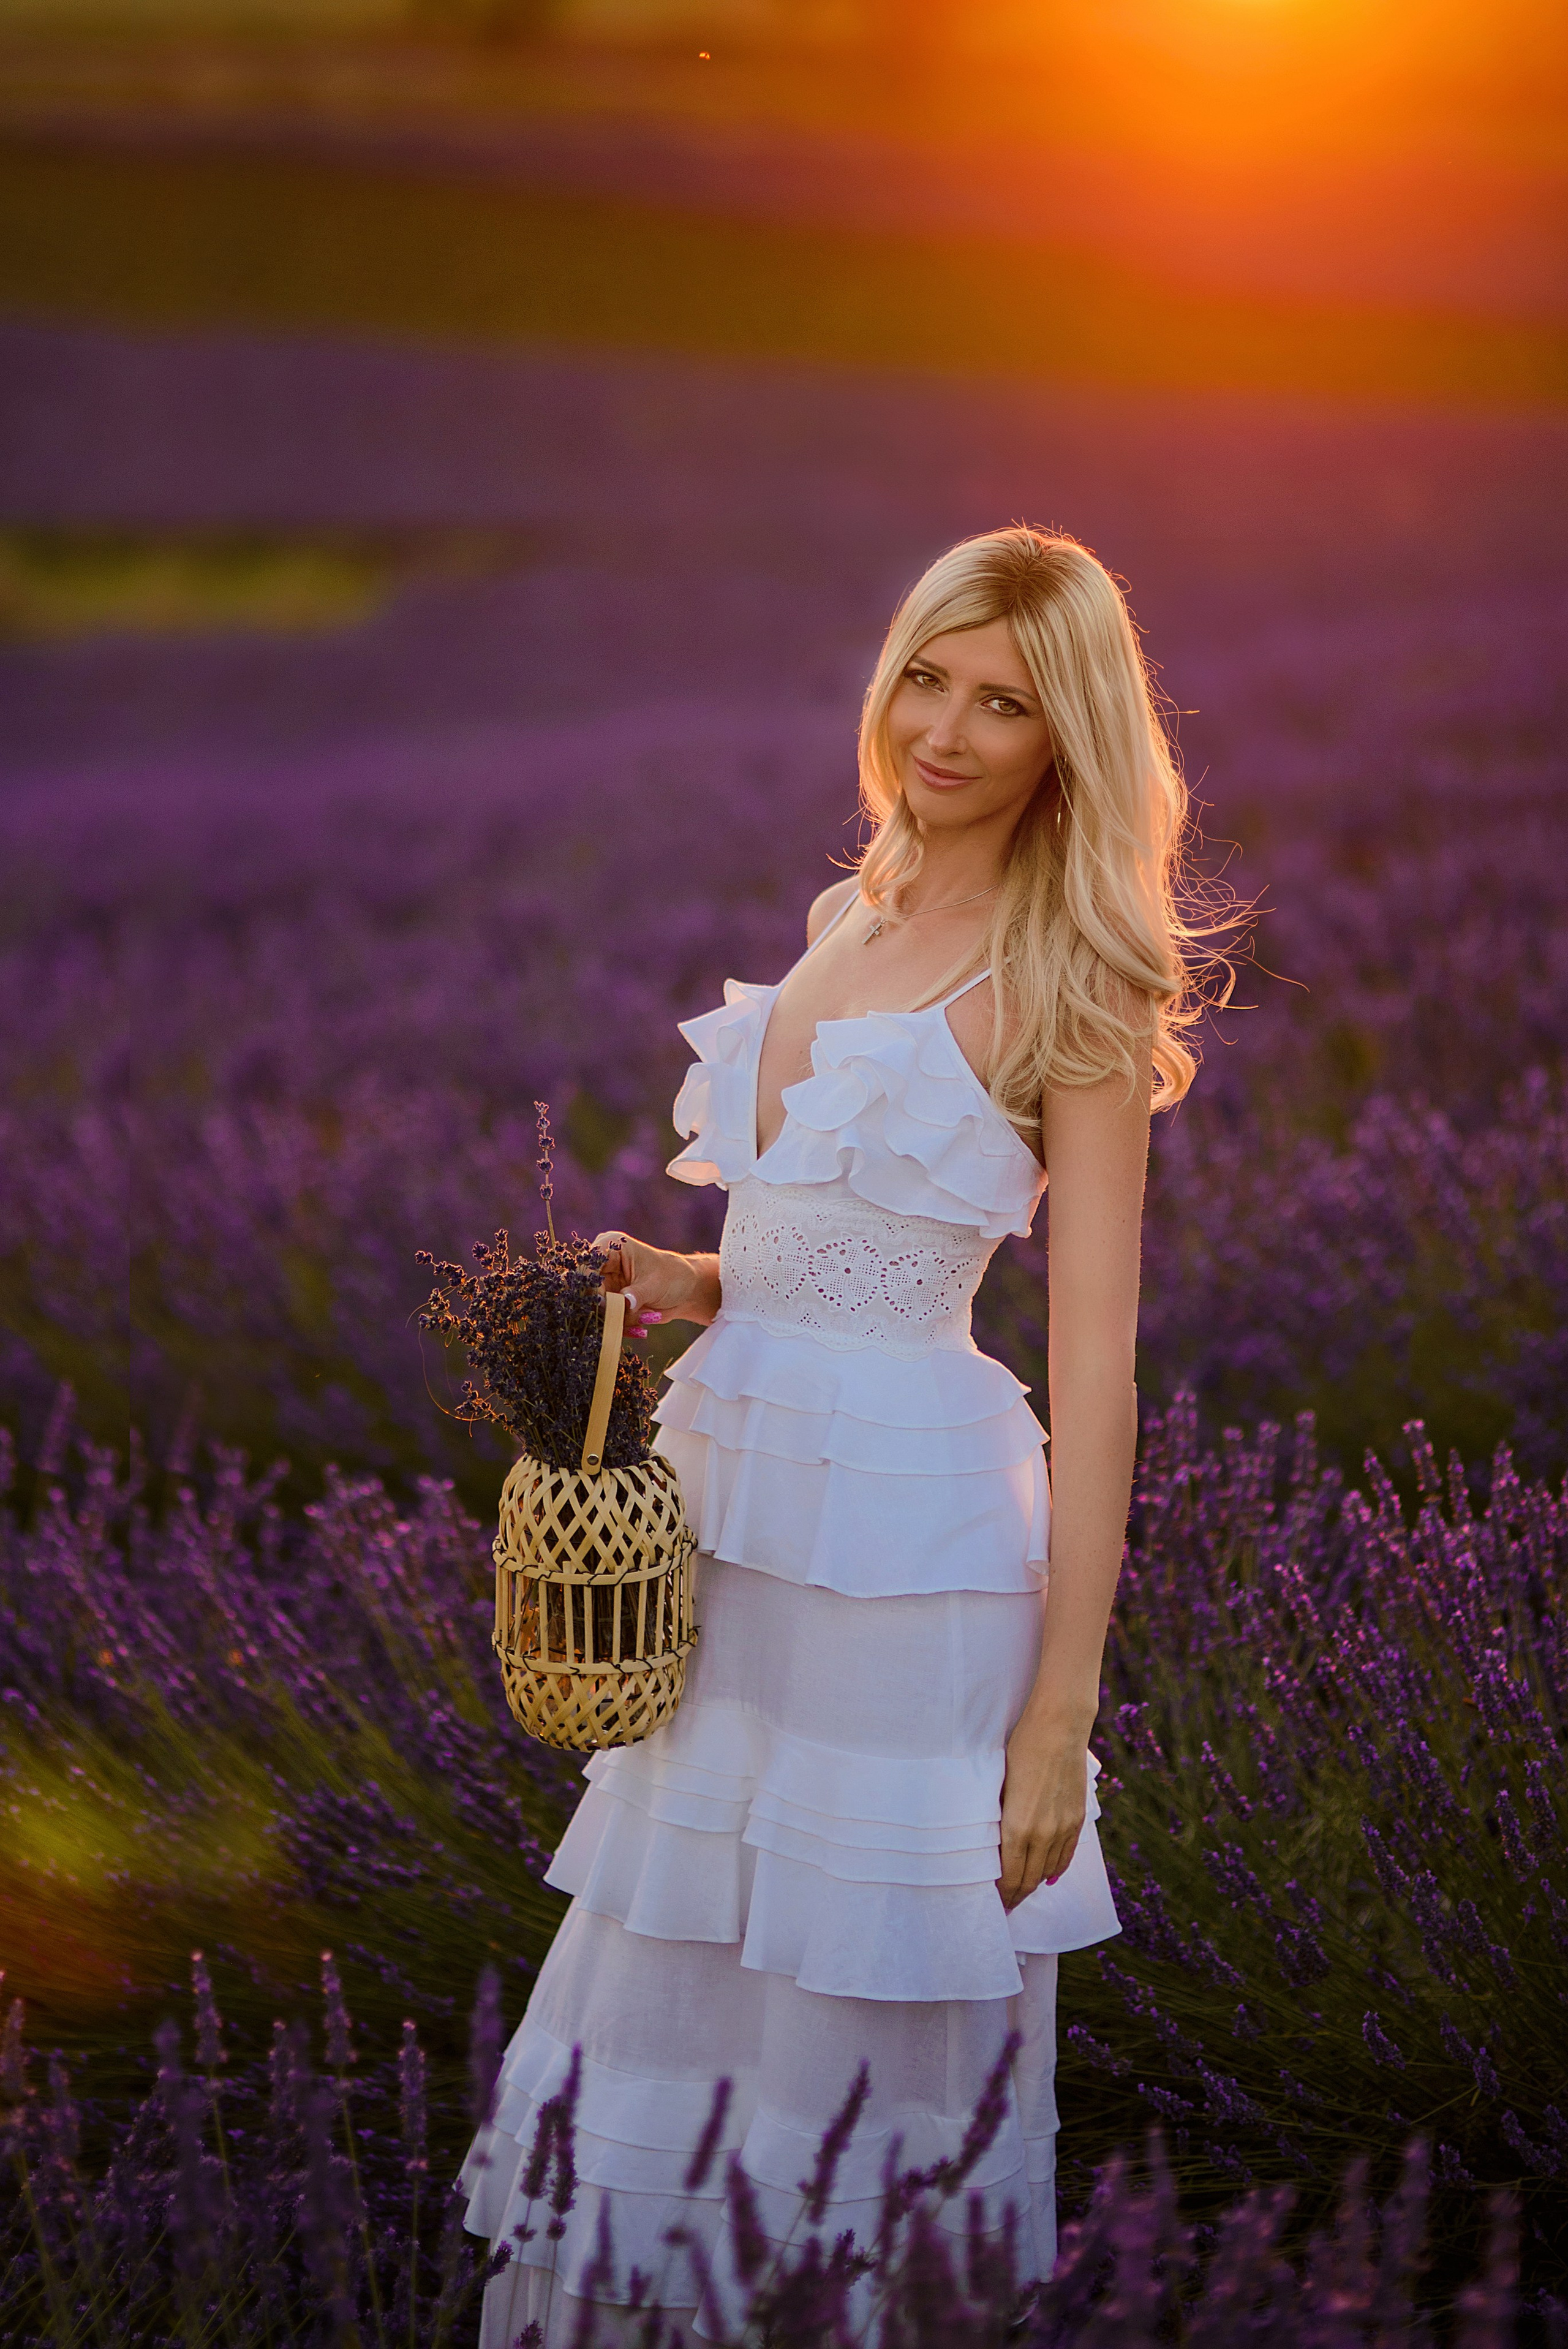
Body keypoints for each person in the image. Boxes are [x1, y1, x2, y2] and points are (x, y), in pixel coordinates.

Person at [461, 524, 1206, 2343]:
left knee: (853, 2014)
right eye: (928, 678)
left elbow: (1096, 1369)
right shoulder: (841, 921)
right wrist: (694, 1276)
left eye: (1005, 703)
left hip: (909, 1558)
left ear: (1070, 736)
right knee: (685, 1966)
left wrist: (1061, 1713)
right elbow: (824, 1242)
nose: (947, 730)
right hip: (730, 1516)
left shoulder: (1074, 987)